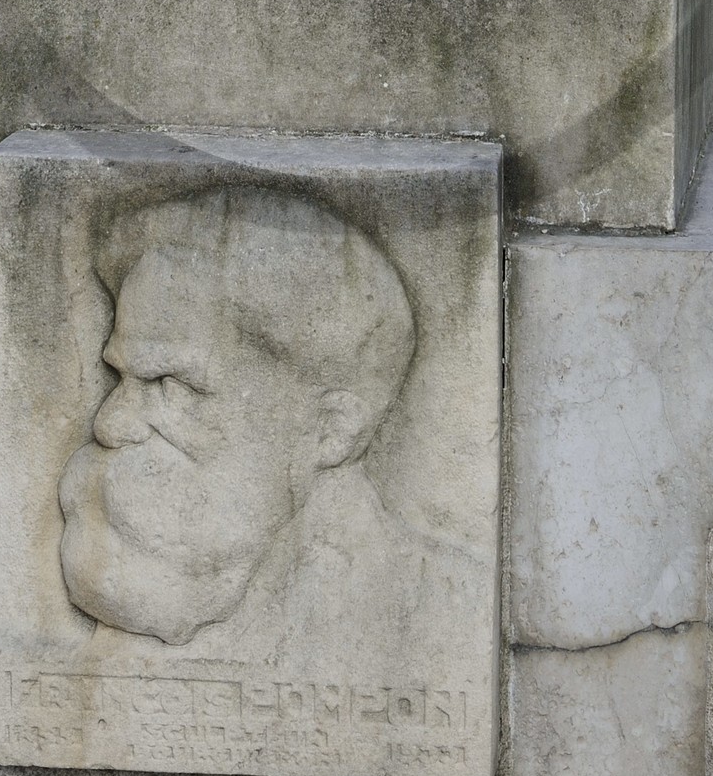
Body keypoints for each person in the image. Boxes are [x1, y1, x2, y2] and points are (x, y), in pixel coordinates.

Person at [58, 185, 473, 670]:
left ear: (330, 430)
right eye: (121, 377)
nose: (109, 424)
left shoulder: (444, 612)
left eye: (172, 384)